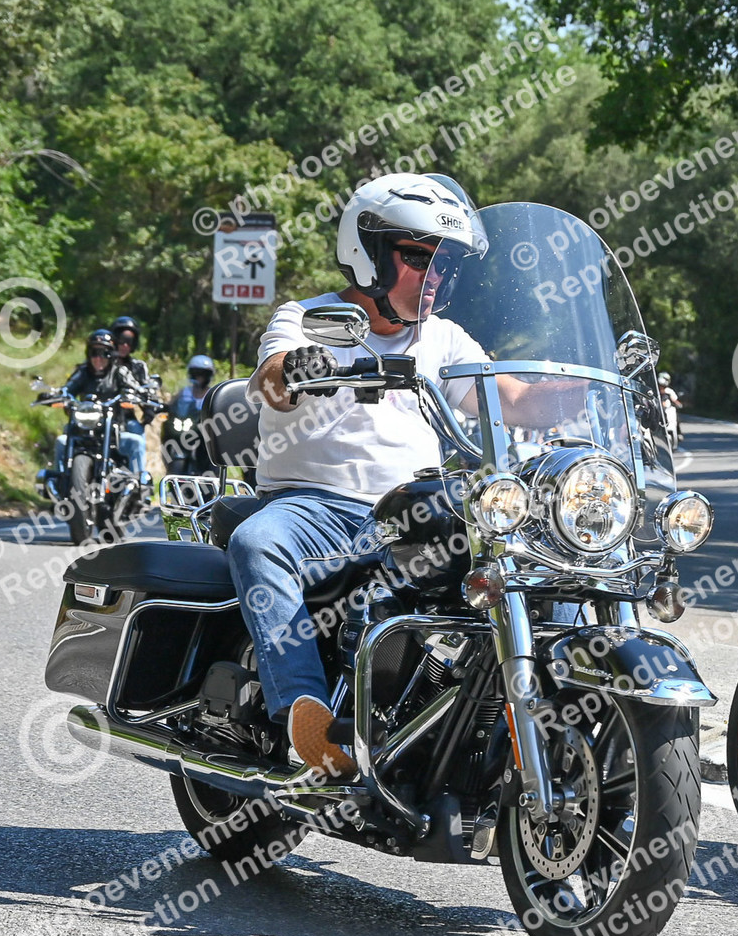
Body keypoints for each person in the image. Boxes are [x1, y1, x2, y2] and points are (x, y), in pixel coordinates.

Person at [231, 172, 574, 779]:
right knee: (257, 542)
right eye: (419, 257)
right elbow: (272, 380)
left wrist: (587, 389)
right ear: (368, 252)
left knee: (539, 557)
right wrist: (296, 368)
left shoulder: (443, 339)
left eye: (446, 264)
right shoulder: (306, 318)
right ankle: (306, 714)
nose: (434, 276)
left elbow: (516, 400)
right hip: (314, 507)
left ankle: (527, 714)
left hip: (412, 509)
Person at [55, 328, 149, 477]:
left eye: (104, 353)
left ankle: (140, 483)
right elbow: (67, 389)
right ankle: (60, 482)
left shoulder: (119, 372)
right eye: (94, 353)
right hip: (83, 429)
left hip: (113, 431)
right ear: (88, 354)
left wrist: (139, 395)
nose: (99, 358)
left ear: (111, 355)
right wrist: (57, 396)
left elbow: (136, 388)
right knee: (61, 442)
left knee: (136, 442)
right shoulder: (83, 372)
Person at [108, 316, 155, 484]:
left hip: (126, 418)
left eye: (129, 342)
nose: (124, 346)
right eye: (121, 341)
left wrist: (149, 410)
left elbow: (148, 390)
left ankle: (139, 485)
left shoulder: (138, 366)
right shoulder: (101, 363)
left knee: (137, 435)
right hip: (100, 417)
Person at [163, 355, 217, 474]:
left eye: (203, 373)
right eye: (196, 373)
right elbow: (173, 404)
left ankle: (213, 475)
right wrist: (165, 407)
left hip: (203, 431)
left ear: (209, 375)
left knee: (214, 445)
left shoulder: (212, 394)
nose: (200, 377)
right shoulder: (183, 392)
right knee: (166, 428)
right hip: (185, 427)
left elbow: (218, 407)